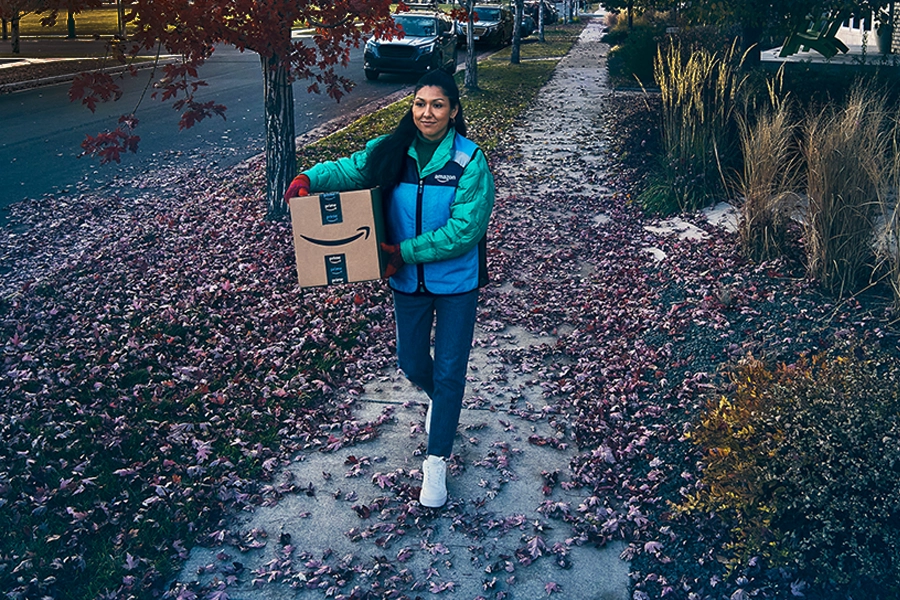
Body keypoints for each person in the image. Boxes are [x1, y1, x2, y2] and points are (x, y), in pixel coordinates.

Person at [284, 70, 496, 508]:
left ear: (454, 111)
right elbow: (351, 168)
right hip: (406, 280)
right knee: (411, 359)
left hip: (456, 282)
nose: (427, 113)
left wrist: (404, 250)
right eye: (420, 103)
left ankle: (436, 462)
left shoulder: (469, 160)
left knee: (451, 369)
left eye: (437, 104)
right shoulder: (394, 150)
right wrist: (310, 178)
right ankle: (444, 403)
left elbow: (466, 229)